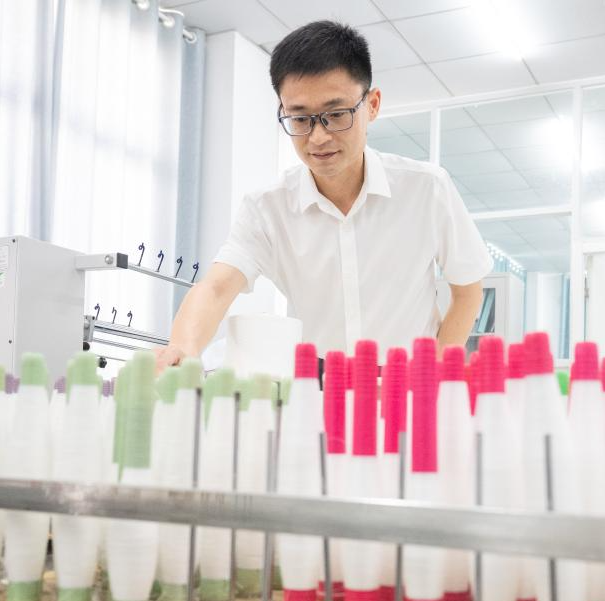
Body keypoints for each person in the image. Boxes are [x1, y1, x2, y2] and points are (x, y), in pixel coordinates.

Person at [155, 21, 493, 371]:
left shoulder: (426, 189)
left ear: (372, 105)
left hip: (407, 376)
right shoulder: (267, 208)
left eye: (336, 114)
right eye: (300, 119)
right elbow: (216, 288)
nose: (318, 137)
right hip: (316, 380)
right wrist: (181, 348)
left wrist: (433, 371)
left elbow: (468, 290)